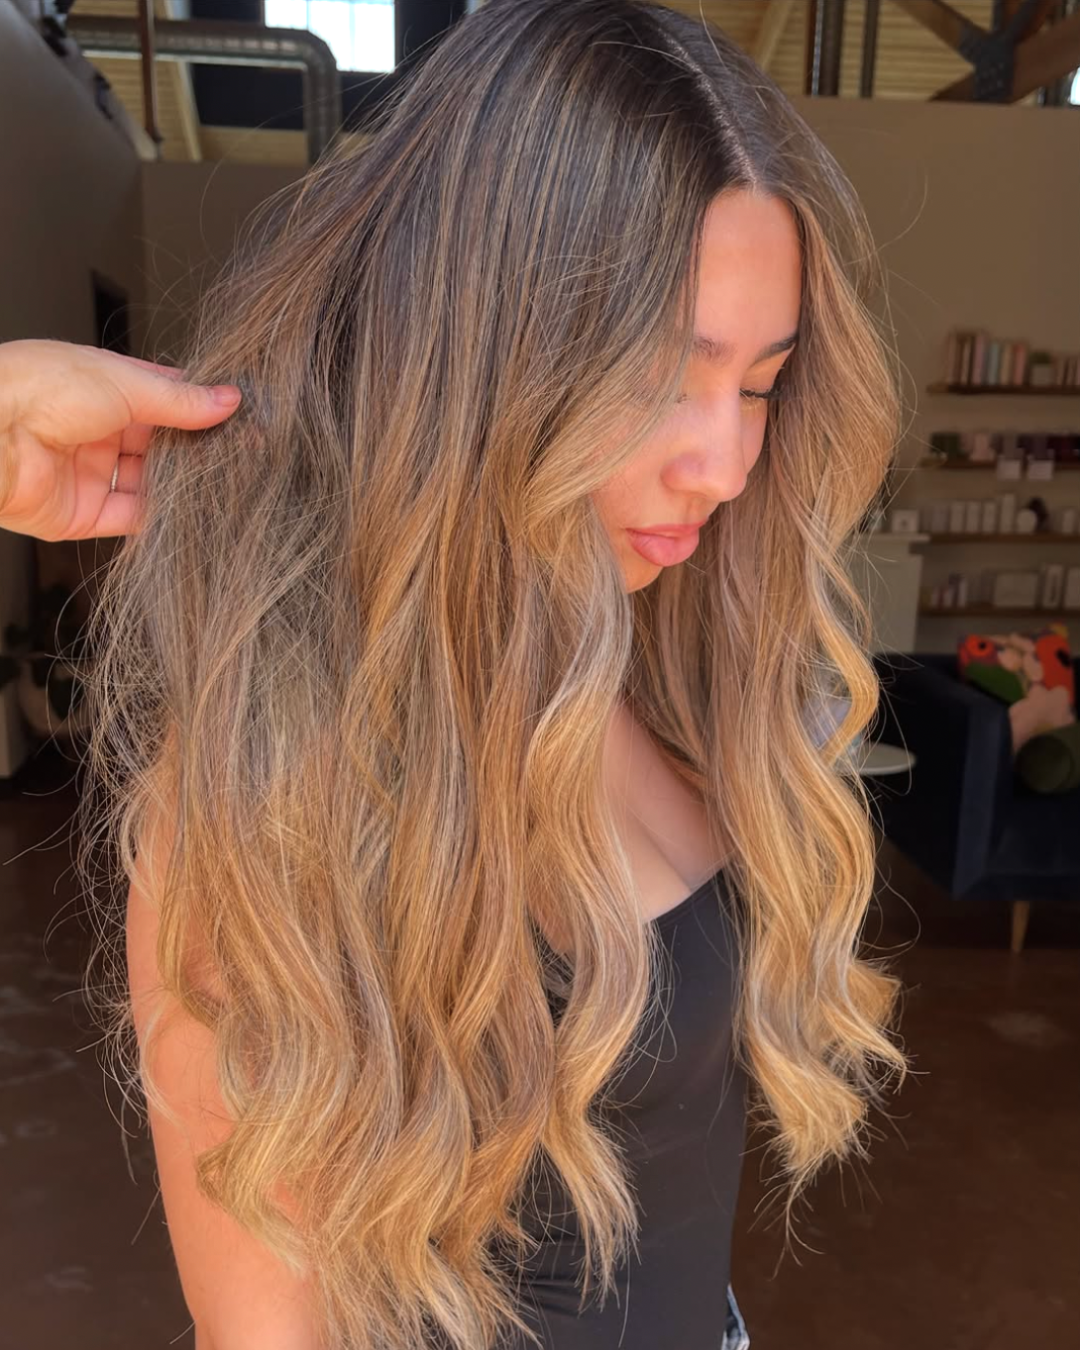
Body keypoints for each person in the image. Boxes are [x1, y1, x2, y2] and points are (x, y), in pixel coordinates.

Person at [4, 1, 911, 1347]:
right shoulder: (279, 770)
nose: (723, 463)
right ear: (487, 351)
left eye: (762, 384)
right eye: (667, 373)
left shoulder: (654, 656)